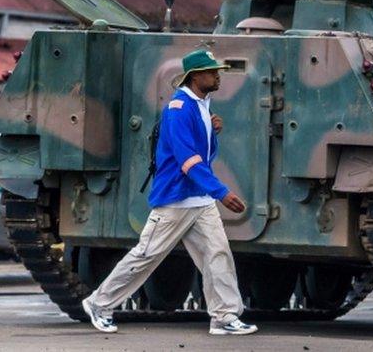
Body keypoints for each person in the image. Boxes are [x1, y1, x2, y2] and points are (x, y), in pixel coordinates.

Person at [81, 49, 258, 336]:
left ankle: (224, 316)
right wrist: (221, 191)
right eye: (213, 72)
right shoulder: (179, 108)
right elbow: (188, 160)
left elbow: (204, 154)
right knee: (146, 255)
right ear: (196, 76)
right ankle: (99, 304)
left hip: (199, 199)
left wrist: (214, 131)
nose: (218, 76)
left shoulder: (201, 105)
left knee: (218, 255)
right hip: (177, 198)